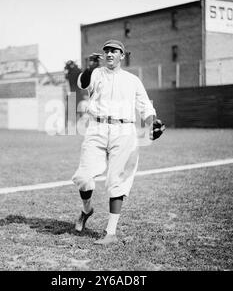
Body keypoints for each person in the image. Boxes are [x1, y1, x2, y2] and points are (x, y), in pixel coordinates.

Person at [71, 39, 165, 245]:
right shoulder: (96, 74)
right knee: (84, 177)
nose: (110, 54)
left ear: (122, 55)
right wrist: (89, 67)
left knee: (118, 181)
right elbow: (82, 84)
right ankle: (86, 210)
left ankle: (110, 233)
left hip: (124, 130)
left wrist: (152, 123)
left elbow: (145, 107)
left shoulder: (132, 80)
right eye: (107, 51)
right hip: (97, 127)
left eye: (115, 51)